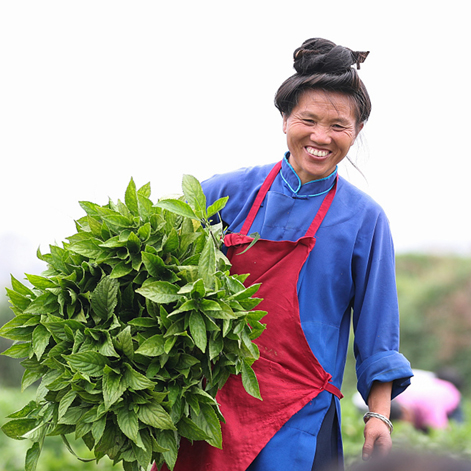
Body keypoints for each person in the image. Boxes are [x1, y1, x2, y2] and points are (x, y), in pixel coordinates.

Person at [157, 37, 413, 471]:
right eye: (308, 120)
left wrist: (379, 415)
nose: (320, 137)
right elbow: (159, 275)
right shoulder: (222, 195)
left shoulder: (364, 219)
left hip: (300, 416)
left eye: (338, 126)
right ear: (284, 119)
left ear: (356, 131)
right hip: (207, 406)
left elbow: (377, 329)